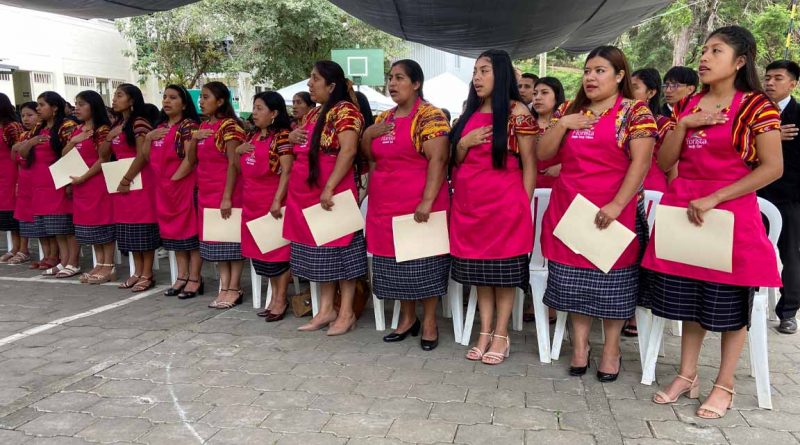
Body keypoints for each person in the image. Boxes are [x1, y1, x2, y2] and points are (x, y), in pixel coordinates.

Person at [642, 26, 782, 419]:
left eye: (715, 51)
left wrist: (717, 196)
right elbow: (666, 162)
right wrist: (686, 125)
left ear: (739, 62)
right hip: (685, 209)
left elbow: (773, 167)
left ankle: (725, 384)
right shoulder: (688, 106)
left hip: (730, 216)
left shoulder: (757, 106)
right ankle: (687, 375)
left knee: (729, 307)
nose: (704, 57)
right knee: (688, 300)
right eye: (703, 50)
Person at [538, 46, 657, 381]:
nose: (590, 77)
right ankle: (580, 346)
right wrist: (562, 124)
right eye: (587, 70)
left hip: (612, 210)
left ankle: (611, 348)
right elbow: (543, 153)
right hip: (570, 210)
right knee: (573, 282)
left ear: (620, 76)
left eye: (600, 70)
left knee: (613, 284)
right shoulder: (569, 110)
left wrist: (618, 204)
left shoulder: (635, 113)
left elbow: (641, 162)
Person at [451, 49, 537, 365]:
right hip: (469, 206)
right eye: (475, 71)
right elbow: (456, 160)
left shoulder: (518, 113)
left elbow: (530, 164)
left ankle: (501, 334)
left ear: (501, 74)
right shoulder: (468, 114)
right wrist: (463, 142)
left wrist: (522, 206)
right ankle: (484, 331)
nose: (477, 77)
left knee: (503, 275)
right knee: (481, 275)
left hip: (505, 206)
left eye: (484, 71)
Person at [361, 59, 450, 350]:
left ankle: (429, 322)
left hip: (418, 203)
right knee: (394, 265)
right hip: (385, 203)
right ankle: (407, 318)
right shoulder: (382, 118)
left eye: (400, 78)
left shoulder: (430, 116)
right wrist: (366, 137)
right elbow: (370, 158)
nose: (392, 83)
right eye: (390, 77)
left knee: (423, 264)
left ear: (416, 83)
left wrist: (427, 201)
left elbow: (438, 160)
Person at [284, 60, 367, 335]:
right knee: (321, 254)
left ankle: (346, 313)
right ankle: (326, 309)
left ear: (332, 86)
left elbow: (348, 150)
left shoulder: (346, 111)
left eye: (315, 79)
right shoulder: (312, 114)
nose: (310, 84)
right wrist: (294, 136)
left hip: (333, 190)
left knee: (341, 253)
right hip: (308, 192)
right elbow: (304, 142)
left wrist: (330, 187)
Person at [239, 91, 294, 321]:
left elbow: (287, 171)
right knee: (262, 254)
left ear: (274, 113)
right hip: (251, 202)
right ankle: (274, 297)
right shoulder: (252, 137)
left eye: (260, 108)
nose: (254, 112)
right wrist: (237, 151)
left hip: (272, 203)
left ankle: (281, 298)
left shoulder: (281, 137)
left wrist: (276, 201)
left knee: (277, 254)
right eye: (254, 107)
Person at [146, 85, 203, 299]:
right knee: (174, 235)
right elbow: (145, 155)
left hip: (183, 186)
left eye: (173, 98)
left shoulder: (189, 126)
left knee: (190, 234)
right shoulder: (159, 126)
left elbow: (190, 159)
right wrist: (150, 137)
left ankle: (195, 278)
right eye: (165, 97)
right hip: (164, 188)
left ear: (184, 103)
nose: (167, 101)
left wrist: (174, 180)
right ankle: (181, 276)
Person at [14, 92, 80, 278]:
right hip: (40, 183)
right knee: (55, 227)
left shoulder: (67, 126)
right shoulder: (38, 128)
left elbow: (72, 154)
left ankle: (73, 262)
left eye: (42, 105)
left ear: (55, 107)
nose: (38, 108)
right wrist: (32, 142)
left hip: (60, 180)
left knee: (66, 225)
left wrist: (68, 182)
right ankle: (63, 261)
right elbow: (23, 154)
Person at [192, 81, 246, 308]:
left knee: (231, 242)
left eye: (206, 97)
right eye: (201, 97)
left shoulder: (230, 127)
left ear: (221, 101)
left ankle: (234, 287)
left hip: (227, 191)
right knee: (217, 243)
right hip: (206, 192)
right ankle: (224, 286)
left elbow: (234, 164)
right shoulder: (204, 128)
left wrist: (226, 196)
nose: (201, 102)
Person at [759, 59, 800, 334]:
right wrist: (769, 136)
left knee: (791, 255)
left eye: (778, 78)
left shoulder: (798, 114)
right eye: (768, 78)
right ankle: (742, 303)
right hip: (754, 193)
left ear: (793, 83)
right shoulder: (755, 113)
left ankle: (788, 312)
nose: (770, 83)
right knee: (747, 249)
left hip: (790, 197)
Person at [108, 84, 159, 291]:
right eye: (115, 95)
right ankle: (136, 271)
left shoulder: (139, 123)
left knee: (142, 227)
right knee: (129, 228)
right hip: (122, 181)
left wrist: (127, 178)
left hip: (138, 180)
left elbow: (143, 155)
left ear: (132, 100)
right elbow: (105, 152)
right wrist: (111, 135)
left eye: (120, 95)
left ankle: (147, 273)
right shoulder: (120, 123)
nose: (114, 99)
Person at [65, 90, 116, 284]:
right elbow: (64, 154)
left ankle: (108, 265)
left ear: (93, 106)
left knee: (103, 223)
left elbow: (103, 159)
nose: (76, 108)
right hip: (80, 185)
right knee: (90, 226)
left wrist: (84, 177)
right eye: (75, 103)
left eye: (81, 104)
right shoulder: (77, 130)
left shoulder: (102, 130)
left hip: (97, 182)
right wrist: (74, 141)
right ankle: (99, 263)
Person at [8, 102, 39, 266]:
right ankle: (21, 250)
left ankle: (51, 255)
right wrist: (15, 149)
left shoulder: (41, 135)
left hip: (38, 181)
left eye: (30, 115)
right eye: (23, 115)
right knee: (23, 218)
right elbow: (17, 160)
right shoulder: (23, 136)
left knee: (43, 220)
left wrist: (28, 145)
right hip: (24, 180)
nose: (25, 119)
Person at [632, 68, 671, 193]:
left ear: (651, 93)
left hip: (651, 190)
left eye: (635, 88)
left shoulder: (663, 124)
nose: (628, 92)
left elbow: (672, 167)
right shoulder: (619, 120)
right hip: (621, 184)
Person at [0, 93, 24, 264]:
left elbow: (19, 150)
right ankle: (13, 247)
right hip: (1, 173)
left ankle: (22, 248)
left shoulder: (12, 126)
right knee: (7, 212)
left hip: (12, 171)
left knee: (17, 209)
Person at [532, 76, 566, 189]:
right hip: (529, 186)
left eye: (544, 93)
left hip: (560, 187)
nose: (537, 98)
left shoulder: (567, 125)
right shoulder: (526, 124)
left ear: (557, 97)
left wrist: (562, 167)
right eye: (535, 93)